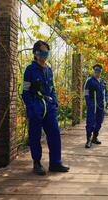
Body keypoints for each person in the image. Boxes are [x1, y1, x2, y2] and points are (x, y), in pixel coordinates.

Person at [22, 40, 69, 175]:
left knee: (54, 134)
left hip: (49, 108)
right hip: (36, 108)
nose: (43, 55)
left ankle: (55, 163)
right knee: (35, 136)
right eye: (41, 52)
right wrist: (31, 108)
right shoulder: (30, 70)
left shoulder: (49, 70)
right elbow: (24, 91)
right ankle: (37, 163)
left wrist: (54, 102)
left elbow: (52, 88)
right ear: (35, 53)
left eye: (46, 52)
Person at [84, 64, 108, 149]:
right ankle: (88, 140)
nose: (97, 72)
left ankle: (95, 137)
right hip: (92, 105)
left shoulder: (103, 82)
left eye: (99, 71)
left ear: (101, 72)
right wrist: (88, 103)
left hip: (101, 106)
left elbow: (106, 93)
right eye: (96, 71)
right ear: (94, 71)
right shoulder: (90, 80)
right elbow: (86, 92)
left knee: (99, 121)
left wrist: (107, 101)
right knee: (90, 122)